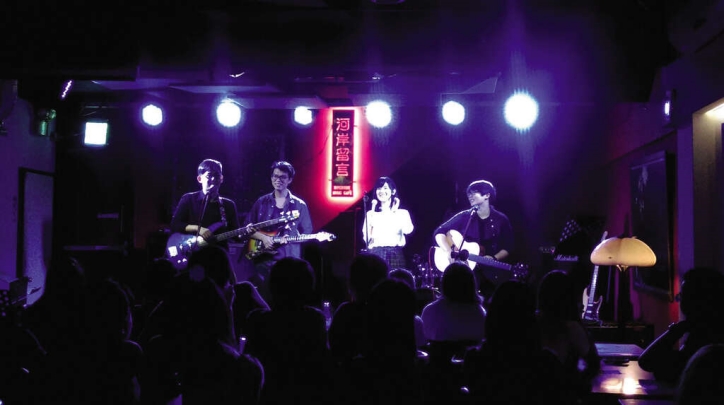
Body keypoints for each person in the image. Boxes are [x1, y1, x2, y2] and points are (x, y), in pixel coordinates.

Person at [432, 179, 514, 298]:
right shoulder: (465, 216)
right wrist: (449, 251)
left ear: (487, 195)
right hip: (467, 274)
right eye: (468, 193)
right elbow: (439, 232)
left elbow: (508, 246)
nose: (469, 196)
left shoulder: (501, 219)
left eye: (474, 192)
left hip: (491, 276)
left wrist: (494, 258)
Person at [244, 161, 313, 296]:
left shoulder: (299, 205)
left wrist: (293, 239)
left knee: (287, 295)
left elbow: (308, 232)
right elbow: (248, 227)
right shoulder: (261, 202)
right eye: (275, 176)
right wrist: (264, 238)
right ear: (271, 178)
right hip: (263, 259)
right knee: (264, 295)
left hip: (288, 260)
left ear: (290, 180)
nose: (278, 180)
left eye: (283, 177)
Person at [169, 159, 242, 252]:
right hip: (192, 253)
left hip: (218, 254)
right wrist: (198, 229)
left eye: (216, 175)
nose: (213, 179)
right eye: (209, 175)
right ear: (199, 179)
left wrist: (246, 232)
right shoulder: (189, 199)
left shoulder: (229, 205)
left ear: (221, 179)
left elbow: (236, 235)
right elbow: (175, 225)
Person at [362, 176, 414, 269]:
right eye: (379, 188)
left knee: (395, 277)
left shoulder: (402, 213)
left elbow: (408, 230)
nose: (381, 191)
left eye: (385, 188)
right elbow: (366, 237)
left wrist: (394, 211)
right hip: (376, 253)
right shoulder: (371, 214)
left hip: (395, 253)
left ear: (393, 191)